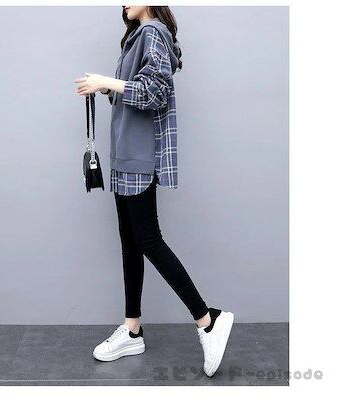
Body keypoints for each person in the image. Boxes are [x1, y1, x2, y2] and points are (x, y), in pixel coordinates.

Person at [74, 5, 234, 377]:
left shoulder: (152, 32)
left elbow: (153, 93)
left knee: (148, 239)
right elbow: (133, 96)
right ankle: (132, 330)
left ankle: (208, 319)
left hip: (139, 155)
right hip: (125, 154)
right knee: (130, 242)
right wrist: (106, 88)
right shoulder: (135, 38)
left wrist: (107, 81)